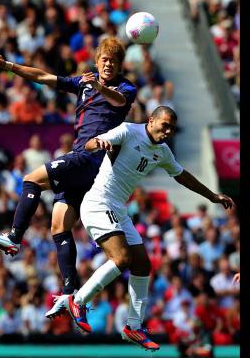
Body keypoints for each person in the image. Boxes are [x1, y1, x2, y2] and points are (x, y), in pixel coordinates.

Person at [48, 106, 234, 351]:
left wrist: (212, 196)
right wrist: (99, 143)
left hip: (118, 209)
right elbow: (92, 144)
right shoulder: (128, 131)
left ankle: (133, 326)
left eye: (171, 128)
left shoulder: (163, 151)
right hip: (98, 203)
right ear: (151, 120)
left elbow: (182, 175)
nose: (167, 131)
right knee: (122, 258)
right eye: (164, 125)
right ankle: (78, 301)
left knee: (143, 265)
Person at [0, 38, 138, 301]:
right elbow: (41, 76)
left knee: (31, 178)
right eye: (104, 59)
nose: (108, 64)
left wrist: (98, 85)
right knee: (58, 226)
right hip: (85, 164)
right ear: (97, 61)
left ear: (119, 65)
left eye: (113, 60)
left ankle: (15, 237)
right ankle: (69, 292)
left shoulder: (125, 87)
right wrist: (7, 65)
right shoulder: (82, 83)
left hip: (91, 156)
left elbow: (119, 101)